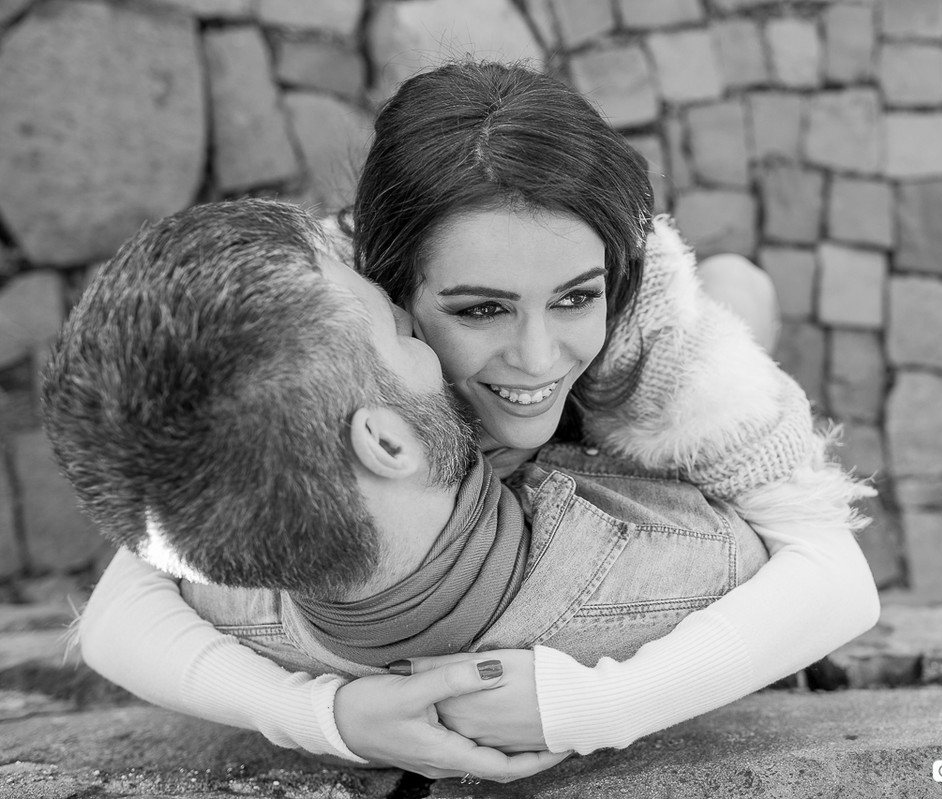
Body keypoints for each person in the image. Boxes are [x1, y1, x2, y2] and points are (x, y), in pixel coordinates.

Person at [72, 61, 879, 782]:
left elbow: (834, 573)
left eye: (575, 295)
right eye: (482, 308)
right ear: (393, 290)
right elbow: (127, 594)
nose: (535, 356)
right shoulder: (341, 321)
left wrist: (591, 704)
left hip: (634, 453)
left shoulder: (657, 334)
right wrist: (330, 717)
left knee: (742, 290)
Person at [44, 198, 774, 775]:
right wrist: (597, 704)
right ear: (386, 441)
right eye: (397, 325)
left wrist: (325, 715)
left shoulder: (223, 553)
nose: (416, 323)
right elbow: (803, 560)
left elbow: (123, 600)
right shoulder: (696, 561)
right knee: (742, 285)